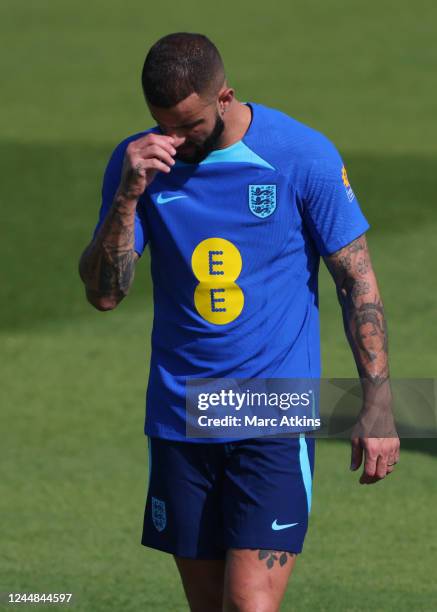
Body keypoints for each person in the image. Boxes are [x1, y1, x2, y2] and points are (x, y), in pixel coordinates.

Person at [78, 32, 400, 612]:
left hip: (271, 414)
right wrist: (127, 196)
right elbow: (105, 295)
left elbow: (357, 281)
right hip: (181, 417)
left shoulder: (301, 156)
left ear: (225, 97)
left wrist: (375, 400)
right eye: (163, 124)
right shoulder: (142, 164)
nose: (176, 140)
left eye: (190, 125)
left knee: (249, 604)